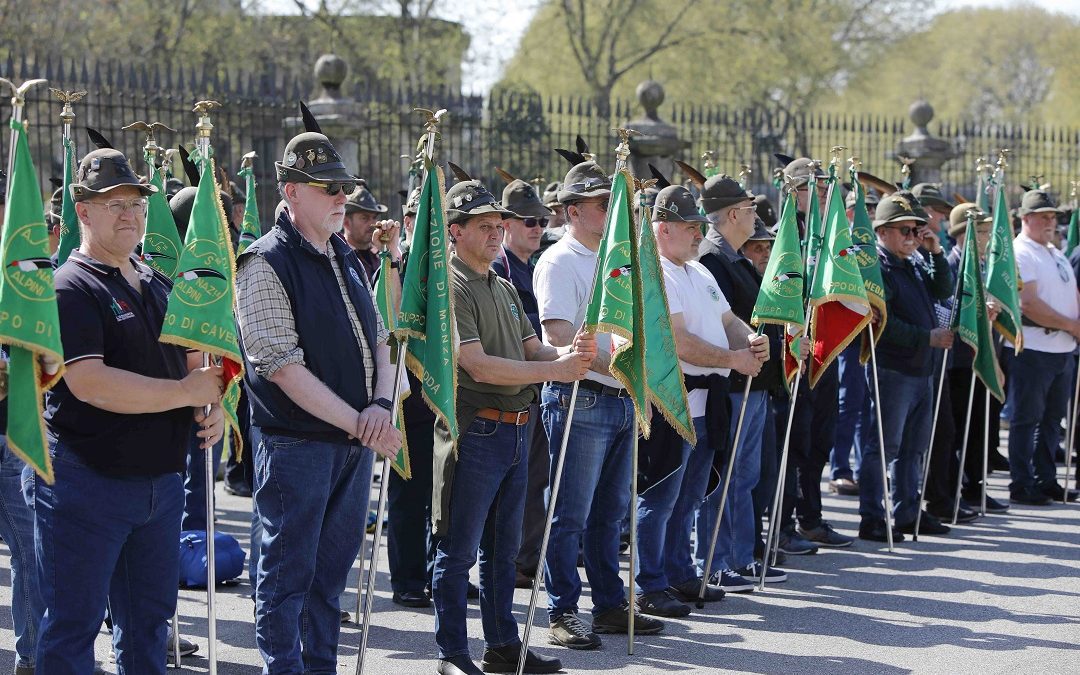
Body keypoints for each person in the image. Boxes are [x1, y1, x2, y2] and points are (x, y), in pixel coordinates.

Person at [35, 147, 224, 673]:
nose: (128, 214)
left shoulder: (158, 283)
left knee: (148, 627)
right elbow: (91, 383)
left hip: (160, 486)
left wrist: (213, 405)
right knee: (73, 629)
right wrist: (187, 394)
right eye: (112, 202)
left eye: (136, 203)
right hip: (87, 483)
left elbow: (193, 357)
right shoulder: (69, 287)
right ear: (84, 212)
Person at [235, 119, 402, 671]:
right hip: (296, 448)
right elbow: (282, 366)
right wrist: (363, 423)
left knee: (330, 581)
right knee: (285, 580)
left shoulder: (343, 255)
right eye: (330, 189)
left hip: (350, 445)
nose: (342, 198)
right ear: (291, 192)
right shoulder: (264, 262)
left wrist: (378, 407)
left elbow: (379, 339)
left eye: (343, 187)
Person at [430, 175, 595, 675]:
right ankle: (451, 654)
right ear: (454, 232)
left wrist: (572, 354)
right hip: (477, 429)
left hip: (516, 428)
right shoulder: (450, 288)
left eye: (497, 224)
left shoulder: (501, 285)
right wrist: (556, 369)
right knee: (458, 550)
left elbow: (532, 349)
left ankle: (502, 646)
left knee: (503, 552)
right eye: (483, 226)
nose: (495, 233)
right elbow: (476, 365)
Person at [534, 158, 665, 651]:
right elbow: (560, 334)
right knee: (569, 512)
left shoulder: (617, 257)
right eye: (602, 204)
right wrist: (622, 362)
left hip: (618, 396)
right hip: (581, 396)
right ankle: (563, 609)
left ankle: (609, 603)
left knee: (610, 512)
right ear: (572, 211)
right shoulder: (559, 260)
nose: (613, 212)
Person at [636, 184, 770, 616]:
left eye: (699, 225)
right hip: (673, 399)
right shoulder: (656, 272)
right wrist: (735, 358)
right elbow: (677, 341)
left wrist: (751, 340)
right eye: (688, 226)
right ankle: (650, 582)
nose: (698, 233)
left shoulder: (699, 271)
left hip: (707, 399)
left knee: (692, 495)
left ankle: (679, 572)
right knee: (660, 498)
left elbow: (728, 319)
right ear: (661, 228)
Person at [695, 174, 798, 594]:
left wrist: (787, 343)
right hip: (733, 384)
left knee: (747, 476)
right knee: (726, 476)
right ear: (734, 213)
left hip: (755, 384)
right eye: (751, 209)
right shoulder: (713, 260)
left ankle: (740, 556)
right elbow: (717, 326)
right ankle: (716, 561)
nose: (756, 216)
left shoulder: (735, 257)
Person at [860, 193, 955, 542]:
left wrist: (936, 251)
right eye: (905, 231)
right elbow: (882, 324)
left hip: (921, 370)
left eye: (917, 230)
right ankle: (871, 516)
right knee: (884, 446)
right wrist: (926, 338)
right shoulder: (879, 267)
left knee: (914, 448)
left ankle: (907, 511)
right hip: (894, 369)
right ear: (883, 232)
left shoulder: (913, 262)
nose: (912, 237)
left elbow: (943, 288)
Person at [490, 177, 553, 587]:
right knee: (514, 480)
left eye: (543, 220)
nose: (537, 228)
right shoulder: (498, 269)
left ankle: (526, 557)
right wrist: (548, 328)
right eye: (528, 220)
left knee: (538, 477)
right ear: (507, 224)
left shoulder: (536, 265)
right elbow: (506, 328)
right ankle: (508, 559)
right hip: (508, 389)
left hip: (540, 383)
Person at [1007, 189, 1080, 504]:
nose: (1052, 222)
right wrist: (1072, 325)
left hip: (1062, 347)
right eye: (1044, 216)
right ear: (1026, 218)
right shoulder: (1021, 251)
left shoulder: (1054, 251)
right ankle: (1022, 482)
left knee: (1052, 421)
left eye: (1053, 216)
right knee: (1027, 419)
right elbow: (1029, 304)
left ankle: (1045, 477)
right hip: (1035, 347)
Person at [944, 204, 1009, 515]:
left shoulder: (984, 266)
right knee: (960, 428)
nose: (984, 238)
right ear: (962, 234)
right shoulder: (953, 263)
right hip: (960, 359)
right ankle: (959, 485)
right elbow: (950, 306)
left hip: (982, 354)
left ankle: (975, 485)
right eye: (979, 232)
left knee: (980, 425)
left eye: (985, 232)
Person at [341, 180, 389, 282]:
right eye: (365, 218)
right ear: (346, 222)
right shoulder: (339, 257)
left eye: (374, 217)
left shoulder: (381, 254)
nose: (373, 224)